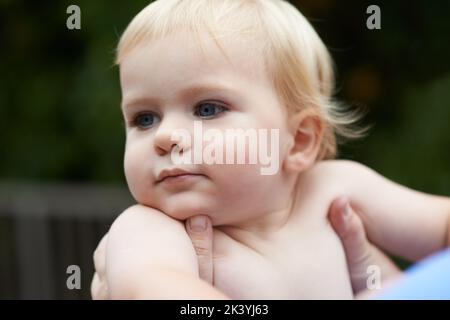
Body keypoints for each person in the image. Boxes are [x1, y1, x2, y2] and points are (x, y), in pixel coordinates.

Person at [90, 0, 450, 299]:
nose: (165, 136)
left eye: (207, 109)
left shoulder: (332, 192)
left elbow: (440, 228)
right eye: (144, 118)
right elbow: (152, 288)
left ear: (299, 140)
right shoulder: (153, 229)